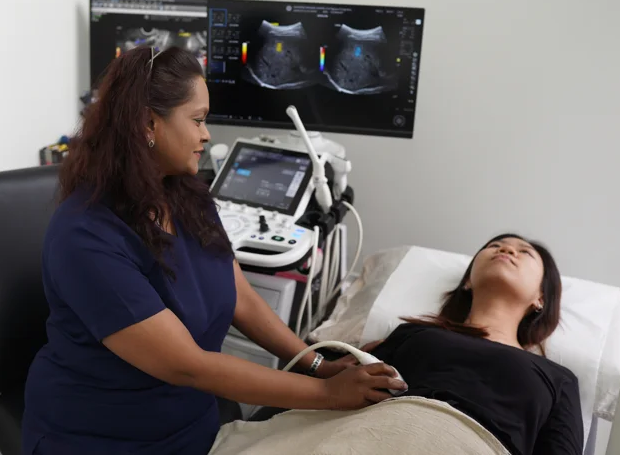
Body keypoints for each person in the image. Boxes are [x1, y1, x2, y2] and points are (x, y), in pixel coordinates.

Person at [20, 45, 405, 455]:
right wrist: (328, 393)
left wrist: (317, 363)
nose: (206, 134)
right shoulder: (86, 236)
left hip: (192, 419)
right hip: (101, 435)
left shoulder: (186, 194)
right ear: (148, 123)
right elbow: (187, 363)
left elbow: (240, 295)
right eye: (198, 120)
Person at [333, 233, 583, 455]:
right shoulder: (413, 334)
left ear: (540, 298)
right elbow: (333, 390)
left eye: (525, 252)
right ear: (468, 282)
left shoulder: (558, 379)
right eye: (495, 245)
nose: (506, 250)